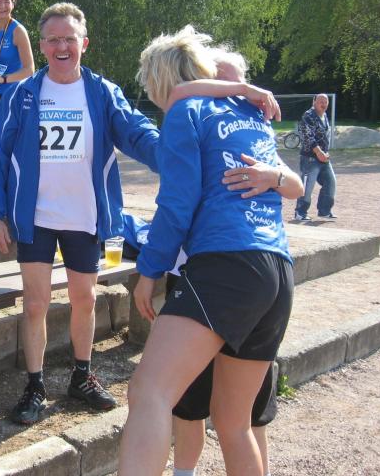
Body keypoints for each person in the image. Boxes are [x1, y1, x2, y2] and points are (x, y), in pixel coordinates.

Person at [118, 25, 302, 476]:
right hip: (277, 272)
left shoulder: (186, 111)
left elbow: (176, 205)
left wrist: (149, 270)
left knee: (149, 392)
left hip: (226, 264)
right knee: (234, 421)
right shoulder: (250, 114)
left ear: (159, 79)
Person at [0, 2, 161, 425]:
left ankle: (82, 376)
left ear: (84, 43)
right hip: (35, 217)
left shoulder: (102, 92)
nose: (62, 47)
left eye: (70, 39)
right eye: (53, 39)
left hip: (85, 216)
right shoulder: (22, 94)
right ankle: (35, 386)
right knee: (35, 304)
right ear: (42, 45)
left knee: (85, 298)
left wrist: (173, 155)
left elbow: (136, 132)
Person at [167, 46, 299, 476]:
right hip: (202, 271)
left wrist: (272, 176)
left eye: (236, 81)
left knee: (244, 414)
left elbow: (296, 185)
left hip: (237, 273)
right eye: (219, 80)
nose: (228, 89)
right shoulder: (197, 113)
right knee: (193, 404)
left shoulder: (250, 129)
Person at [294, 93, 336, 221]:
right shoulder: (308, 116)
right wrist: (319, 152)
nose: (324, 104)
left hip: (324, 158)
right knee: (307, 186)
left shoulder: (325, 116)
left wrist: (325, 152)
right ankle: (300, 212)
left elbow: (325, 136)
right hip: (310, 158)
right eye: (320, 101)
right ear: (314, 102)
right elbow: (308, 137)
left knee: (330, 181)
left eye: (326, 102)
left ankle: (324, 211)